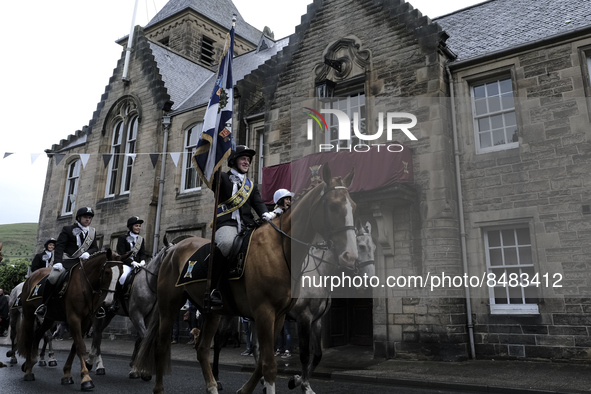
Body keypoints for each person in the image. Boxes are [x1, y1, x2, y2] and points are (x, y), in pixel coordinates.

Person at [210, 145, 271, 308]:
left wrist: (266, 214)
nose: (247, 162)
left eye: (248, 160)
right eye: (243, 159)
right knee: (227, 244)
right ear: (234, 161)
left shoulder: (250, 185)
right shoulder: (222, 178)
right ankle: (214, 289)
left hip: (247, 226)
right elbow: (211, 177)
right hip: (227, 224)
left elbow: (258, 204)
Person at [35, 206, 100, 318]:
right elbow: (60, 246)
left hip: (84, 263)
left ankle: (97, 306)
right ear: (79, 218)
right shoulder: (67, 229)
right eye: (85, 217)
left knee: (99, 278)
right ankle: (44, 305)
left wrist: (88, 253)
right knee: (53, 277)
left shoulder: (92, 232)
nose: (88, 219)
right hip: (68, 262)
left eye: (90, 217)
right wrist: (58, 262)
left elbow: (95, 248)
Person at [109, 216, 148, 313]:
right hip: (126, 264)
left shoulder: (141, 239)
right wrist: (132, 262)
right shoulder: (122, 238)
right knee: (122, 277)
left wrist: (142, 261)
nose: (138, 227)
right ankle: (115, 301)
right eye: (136, 226)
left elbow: (143, 253)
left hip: (139, 264)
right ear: (131, 227)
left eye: (139, 226)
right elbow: (121, 253)